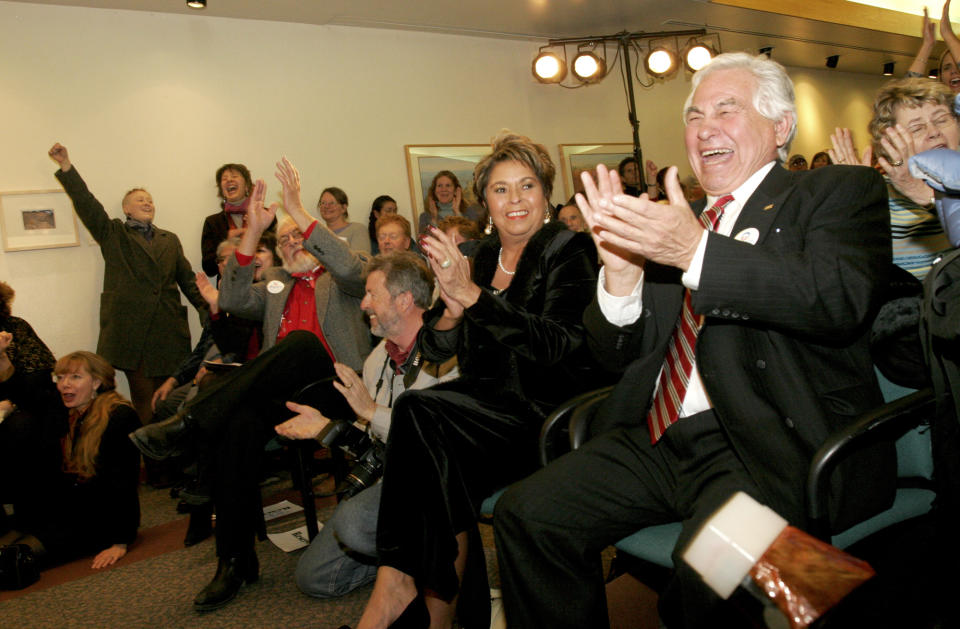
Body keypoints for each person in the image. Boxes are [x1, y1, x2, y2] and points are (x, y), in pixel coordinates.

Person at [493, 52, 893, 629]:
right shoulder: (674, 219)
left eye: (727, 110)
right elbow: (616, 356)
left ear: (781, 127)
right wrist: (622, 282)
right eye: (694, 114)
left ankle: (825, 594)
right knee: (525, 513)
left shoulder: (834, 192)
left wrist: (694, 253)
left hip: (766, 444)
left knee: (707, 573)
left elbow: (835, 300)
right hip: (657, 437)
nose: (704, 127)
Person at [354, 131, 604, 629]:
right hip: (485, 407)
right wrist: (449, 310)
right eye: (501, 189)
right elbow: (436, 349)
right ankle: (427, 601)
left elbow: (557, 346)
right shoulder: (480, 255)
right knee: (427, 438)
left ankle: (411, 595)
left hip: (544, 414)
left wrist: (474, 297)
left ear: (545, 194)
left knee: (421, 415)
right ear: (485, 199)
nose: (515, 200)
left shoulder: (567, 249)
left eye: (527, 186)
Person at [280, 251, 458, 599]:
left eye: (372, 294)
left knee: (352, 522)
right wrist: (326, 427)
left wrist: (372, 409)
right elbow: (373, 440)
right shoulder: (379, 357)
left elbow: (438, 439)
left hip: (436, 482)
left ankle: (422, 559)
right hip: (391, 477)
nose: (363, 304)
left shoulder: (447, 356)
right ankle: (400, 556)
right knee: (312, 578)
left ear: (405, 300)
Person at [48, 143, 208, 429]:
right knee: (146, 403)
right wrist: (67, 167)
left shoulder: (169, 239)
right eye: (139, 200)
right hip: (135, 338)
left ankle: (175, 464)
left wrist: (212, 317)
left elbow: (188, 282)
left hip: (170, 334)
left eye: (150, 200)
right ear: (125, 208)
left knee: (177, 401)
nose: (147, 203)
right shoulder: (113, 233)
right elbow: (87, 204)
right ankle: (153, 468)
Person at [214, 163, 372, 367]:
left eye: (299, 234)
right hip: (280, 380)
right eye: (284, 240)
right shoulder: (276, 282)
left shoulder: (342, 277)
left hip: (335, 379)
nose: (293, 242)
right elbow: (232, 300)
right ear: (281, 254)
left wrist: (297, 210)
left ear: (315, 240)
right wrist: (253, 231)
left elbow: (347, 268)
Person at [1, 351, 140, 570]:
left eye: (75, 377)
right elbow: (25, 393)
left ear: (96, 382)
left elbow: (123, 482)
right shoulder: (67, 410)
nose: (65, 385)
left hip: (98, 520)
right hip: (65, 509)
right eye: (61, 378)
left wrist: (120, 541)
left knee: (14, 560)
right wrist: (2, 359)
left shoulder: (119, 416)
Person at [830, 77, 958, 279]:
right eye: (917, 128)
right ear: (889, 142)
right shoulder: (880, 195)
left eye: (942, 120)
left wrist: (926, 194)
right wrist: (857, 207)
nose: (934, 132)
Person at [201, 163, 276, 279]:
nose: (229, 180)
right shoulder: (212, 222)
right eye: (224, 179)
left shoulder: (265, 215)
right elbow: (208, 269)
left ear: (247, 186)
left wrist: (256, 231)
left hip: (263, 285)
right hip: (229, 288)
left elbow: (278, 256)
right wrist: (226, 243)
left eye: (235, 176)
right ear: (222, 191)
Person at [907, 2, 960, 93]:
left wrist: (947, 34)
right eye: (947, 68)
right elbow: (905, 95)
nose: (953, 71)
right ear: (941, 78)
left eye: (958, 65)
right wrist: (927, 45)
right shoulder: (938, 105)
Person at [318, 187, 371, 253]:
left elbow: (362, 261)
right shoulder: (317, 233)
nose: (326, 206)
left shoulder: (357, 230)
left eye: (332, 203)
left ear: (344, 208)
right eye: (323, 203)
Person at [417, 171, 467, 235]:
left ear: (455, 191)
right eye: (440, 186)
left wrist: (457, 212)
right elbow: (423, 243)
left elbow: (470, 240)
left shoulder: (469, 212)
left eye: (448, 185)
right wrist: (434, 219)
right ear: (434, 191)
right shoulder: (425, 217)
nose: (443, 189)